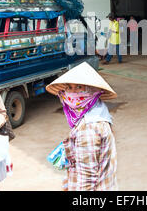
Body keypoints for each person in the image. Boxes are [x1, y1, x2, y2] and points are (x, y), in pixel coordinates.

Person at [46, 62, 118, 191]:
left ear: (92, 90)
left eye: (79, 87)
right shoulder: (99, 112)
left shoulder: (88, 129)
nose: (73, 93)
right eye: (69, 87)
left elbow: (87, 181)